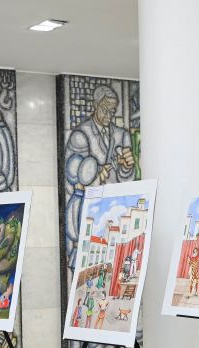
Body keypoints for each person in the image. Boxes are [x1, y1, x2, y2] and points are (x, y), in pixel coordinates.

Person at [63, 84, 136, 271]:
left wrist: (127, 167)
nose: (109, 115)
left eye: (112, 111)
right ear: (95, 105)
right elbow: (74, 177)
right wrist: (96, 175)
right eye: (105, 109)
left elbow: (128, 181)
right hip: (89, 213)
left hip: (115, 212)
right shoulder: (81, 135)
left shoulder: (121, 135)